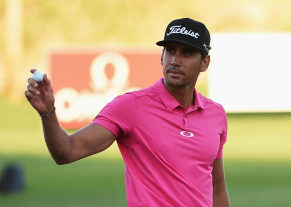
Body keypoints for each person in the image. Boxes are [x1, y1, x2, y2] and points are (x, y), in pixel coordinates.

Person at [25, 18, 230, 207]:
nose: (175, 60)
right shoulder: (131, 106)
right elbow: (66, 152)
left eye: (186, 53)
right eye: (170, 50)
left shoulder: (216, 114)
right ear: (161, 57)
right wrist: (48, 112)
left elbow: (218, 190)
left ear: (204, 63)